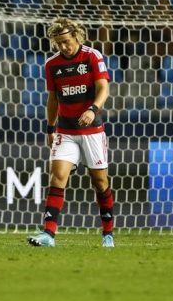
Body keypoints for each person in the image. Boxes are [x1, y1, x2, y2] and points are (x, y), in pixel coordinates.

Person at [27, 17, 115, 248]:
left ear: (76, 36)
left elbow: (104, 87)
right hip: (65, 131)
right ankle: (48, 234)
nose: (63, 47)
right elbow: (53, 98)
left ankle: (108, 234)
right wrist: (49, 126)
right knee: (57, 176)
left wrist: (93, 109)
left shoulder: (91, 56)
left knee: (100, 181)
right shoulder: (52, 64)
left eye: (66, 41)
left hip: (92, 130)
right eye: (59, 43)